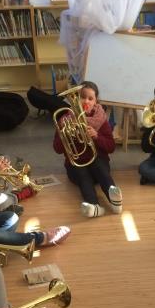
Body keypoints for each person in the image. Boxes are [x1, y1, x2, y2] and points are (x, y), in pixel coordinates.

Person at [53, 81, 123, 218]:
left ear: (96, 101)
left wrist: (97, 136)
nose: (86, 101)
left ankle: (114, 199)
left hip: (98, 165)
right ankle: (94, 206)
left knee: (99, 166)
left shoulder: (101, 119)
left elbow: (111, 147)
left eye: (90, 98)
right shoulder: (65, 120)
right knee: (82, 172)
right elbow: (57, 149)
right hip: (76, 166)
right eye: (82, 97)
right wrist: (65, 134)